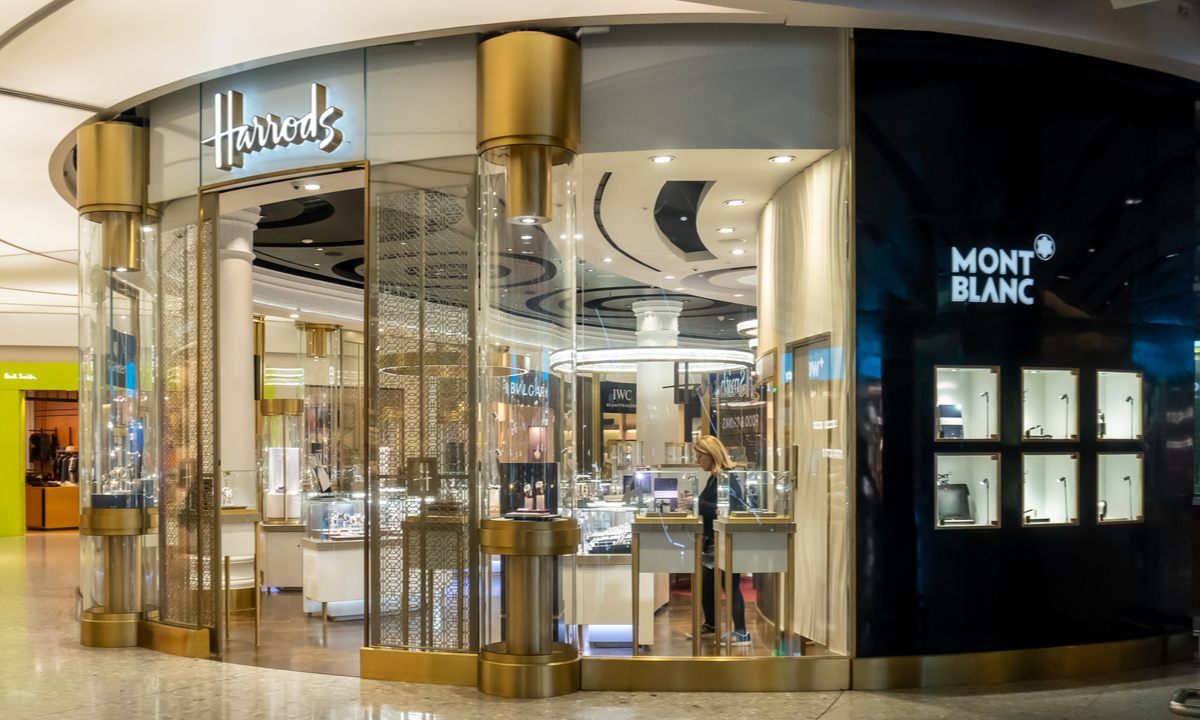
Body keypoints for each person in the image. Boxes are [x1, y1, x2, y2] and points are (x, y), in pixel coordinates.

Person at [688, 434, 751, 647]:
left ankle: (741, 633)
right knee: (707, 584)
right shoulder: (716, 477)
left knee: (730, 585)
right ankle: (712, 625)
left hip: (724, 539)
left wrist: (695, 502)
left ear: (711, 454)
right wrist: (695, 502)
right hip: (714, 539)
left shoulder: (727, 477)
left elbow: (727, 508)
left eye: (700, 456)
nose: (698, 461)